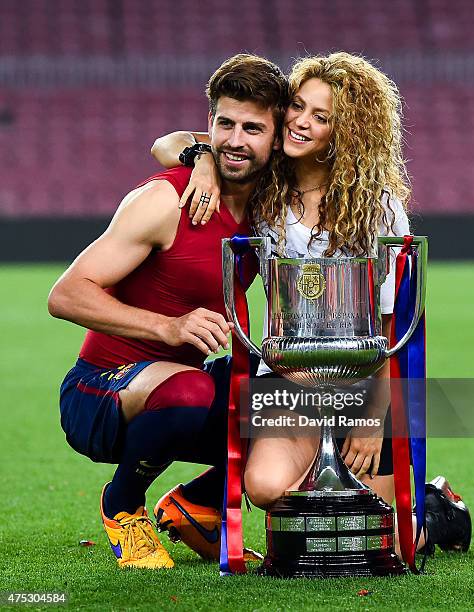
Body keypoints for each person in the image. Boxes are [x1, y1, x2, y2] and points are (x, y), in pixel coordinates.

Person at [151, 52, 471, 560]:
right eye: (298, 106)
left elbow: (391, 321)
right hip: (290, 380)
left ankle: (437, 508)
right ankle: (222, 493)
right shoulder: (263, 185)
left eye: (322, 117)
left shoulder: (378, 204)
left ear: (347, 131)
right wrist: (204, 161)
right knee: (264, 486)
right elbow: (165, 143)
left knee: (390, 542)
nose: (301, 121)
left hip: (366, 383)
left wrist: (373, 415)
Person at [48, 53, 288, 569]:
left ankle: (195, 505)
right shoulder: (167, 200)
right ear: (209, 124)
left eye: (252, 127)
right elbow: (65, 294)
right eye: (224, 124)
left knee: (281, 397)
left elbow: (172, 143)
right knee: (194, 388)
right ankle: (123, 505)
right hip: (100, 392)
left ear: (275, 137)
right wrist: (167, 326)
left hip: (179, 388)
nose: (235, 140)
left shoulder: (268, 210)